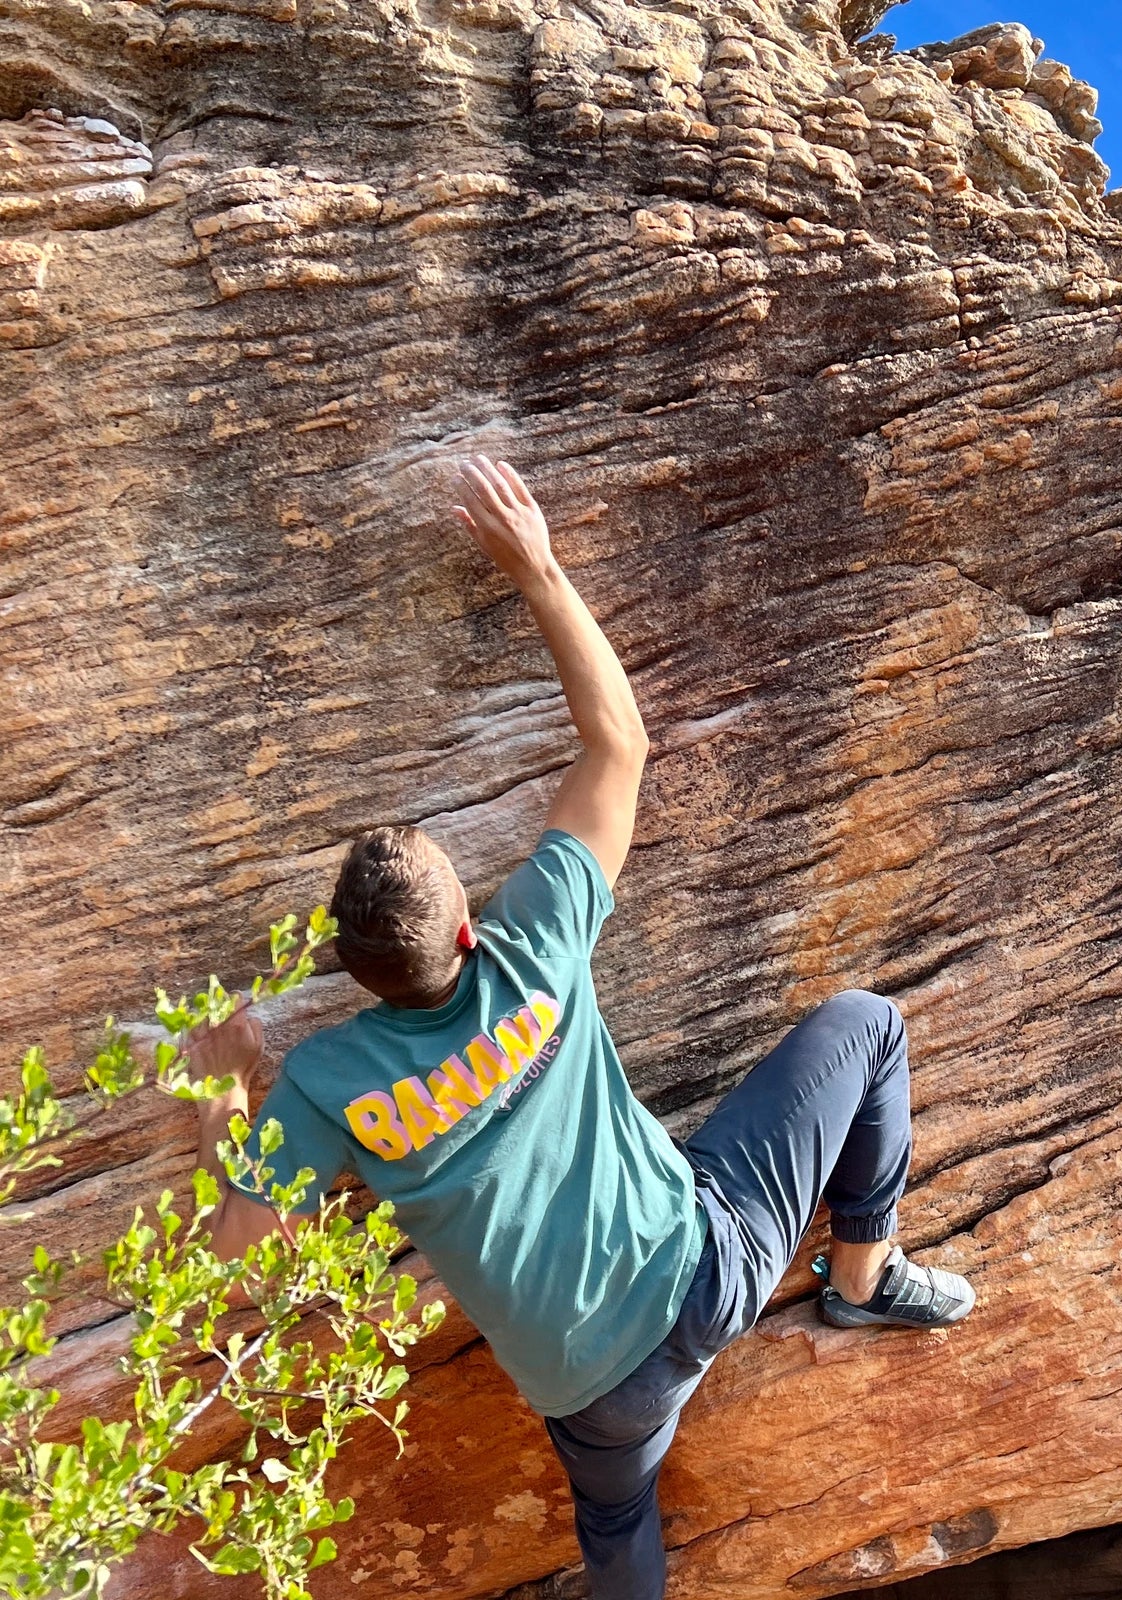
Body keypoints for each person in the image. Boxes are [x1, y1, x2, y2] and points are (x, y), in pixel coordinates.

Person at [185, 456, 977, 1599]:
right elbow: (619, 745)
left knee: (616, 1526)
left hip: (592, 1391)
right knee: (867, 1026)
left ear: (355, 976)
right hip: (703, 1272)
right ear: (467, 933)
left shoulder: (326, 1079)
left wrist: (221, 1094)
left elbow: (233, 1258)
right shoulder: (535, 945)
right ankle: (861, 1273)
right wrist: (539, 569)